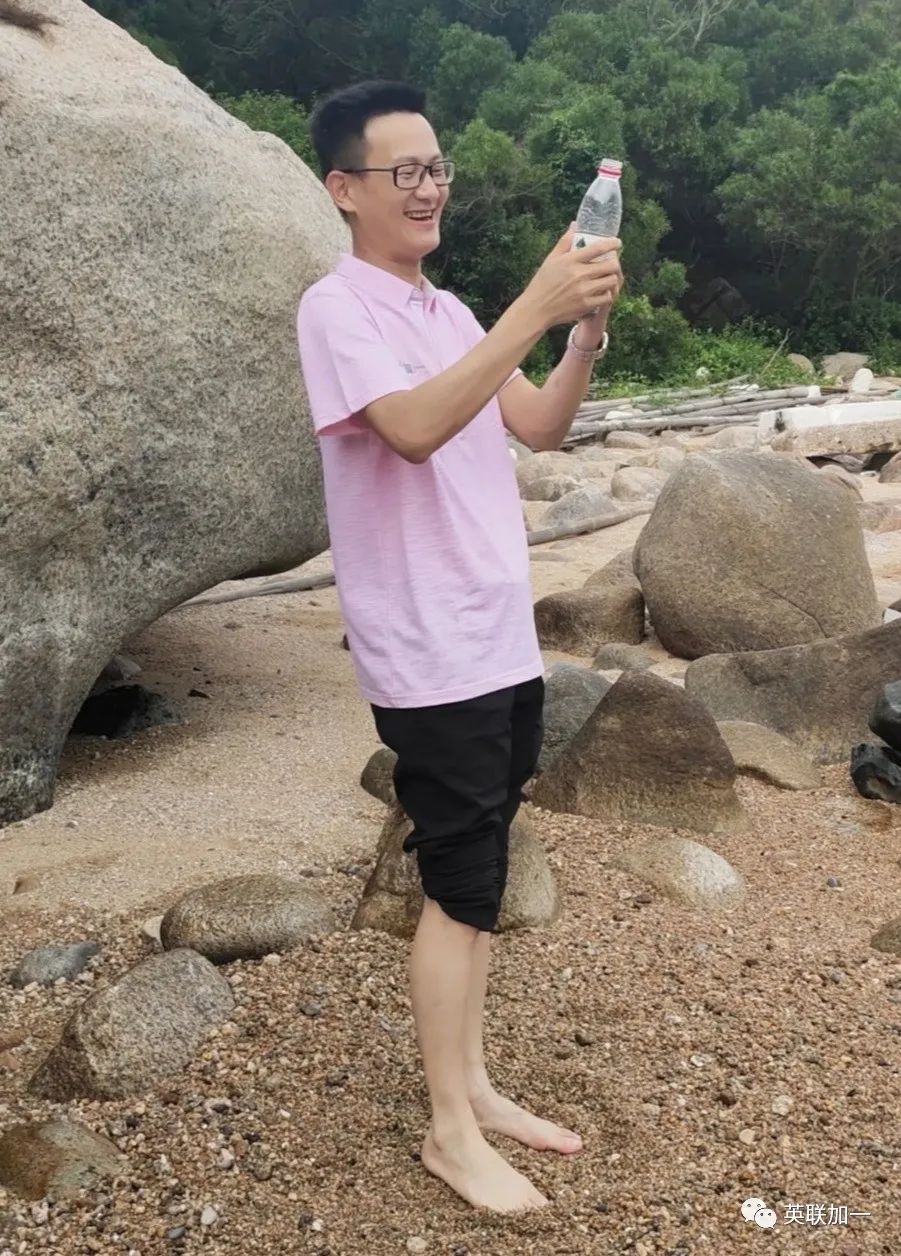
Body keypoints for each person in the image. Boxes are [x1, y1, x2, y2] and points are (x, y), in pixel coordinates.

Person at [296, 80, 623, 1214]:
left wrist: (580, 334)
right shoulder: (336, 309)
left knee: (478, 871)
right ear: (345, 190)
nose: (428, 188)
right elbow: (413, 428)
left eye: (436, 168)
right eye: (404, 172)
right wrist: (532, 306)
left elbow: (536, 424)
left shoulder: (448, 313)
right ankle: (447, 1128)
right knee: (459, 881)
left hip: (495, 635)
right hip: (428, 645)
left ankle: (473, 1084)